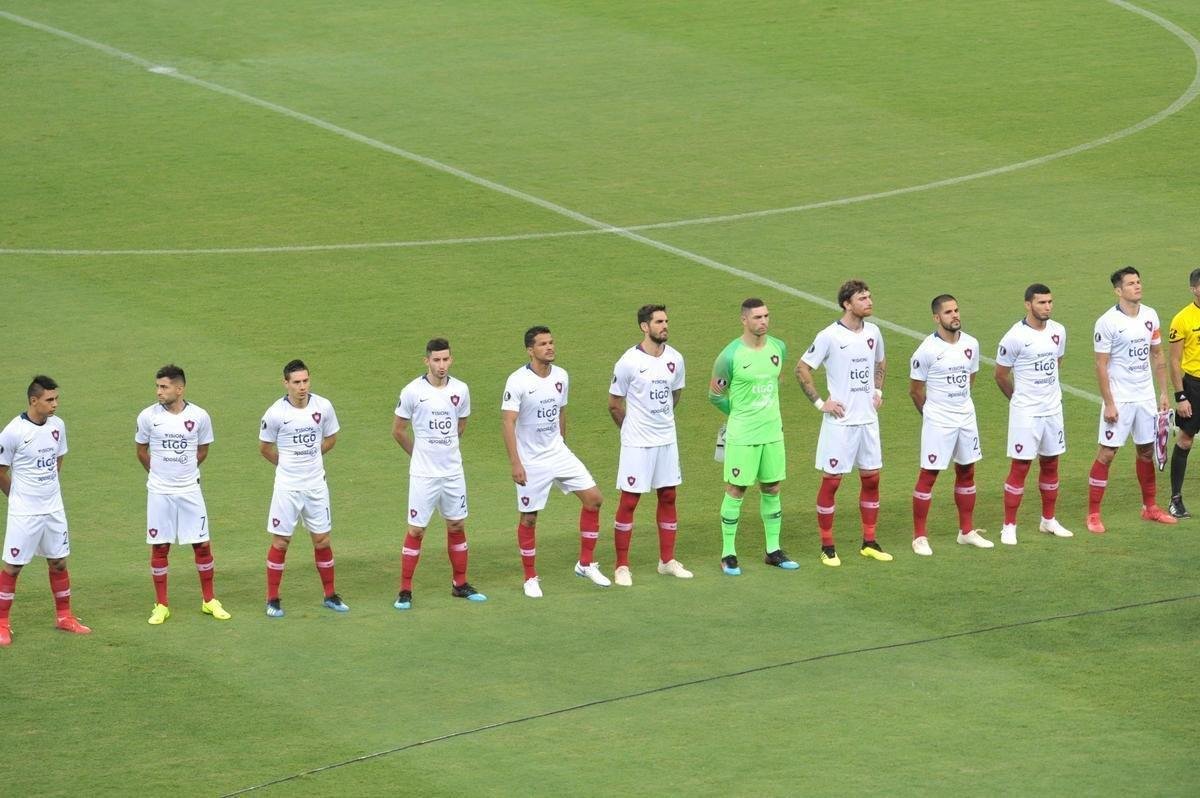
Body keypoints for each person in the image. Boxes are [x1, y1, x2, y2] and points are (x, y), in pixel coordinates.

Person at [502, 326, 608, 598]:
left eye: (551, 342)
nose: (549, 347)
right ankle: (530, 577)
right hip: (531, 461)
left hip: (558, 453)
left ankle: (585, 564)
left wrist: (562, 442)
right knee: (529, 519)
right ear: (530, 350)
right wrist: (516, 463)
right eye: (542, 344)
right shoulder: (517, 381)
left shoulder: (561, 375)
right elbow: (508, 422)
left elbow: (561, 411)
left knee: (594, 499)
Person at [796, 280, 893, 566]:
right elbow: (801, 368)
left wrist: (877, 391)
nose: (869, 301)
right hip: (841, 424)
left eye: (870, 296)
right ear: (846, 304)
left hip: (868, 421)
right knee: (832, 482)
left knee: (872, 479)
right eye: (862, 298)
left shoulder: (874, 332)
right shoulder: (829, 336)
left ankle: (869, 542)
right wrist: (820, 403)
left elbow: (881, 361)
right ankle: (827, 546)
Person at [392, 338, 486, 609]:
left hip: (453, 472)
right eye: (436, 360)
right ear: (427, 361)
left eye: (446, 359)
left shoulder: (461, 389)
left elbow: (461, 424)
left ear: (451, 359)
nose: (441, 365)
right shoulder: (412, 391)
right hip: (424, 475)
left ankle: (460, 584)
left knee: (456, 525)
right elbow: (398, 430)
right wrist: (419, 454)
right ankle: (405, 590)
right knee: (417, 530)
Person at [135, 364, 230, 624]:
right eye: (157, 386)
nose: (158, 392)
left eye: (164, 387)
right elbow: (141, 450)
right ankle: (161, 604)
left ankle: (209, 600)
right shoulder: (147, 417)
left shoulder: (199, 416)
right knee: (160, 546)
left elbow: (202, 450)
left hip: (189, 490)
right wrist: (158, 474)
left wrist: (184, 471)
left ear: (180, 388)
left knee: (202, 544)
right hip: (159, 492)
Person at [0, 376, 90, 646]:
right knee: (13, 566)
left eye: (56, 399)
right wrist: (16, 496)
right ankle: (2, 622)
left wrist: (48, 489)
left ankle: (64, 616)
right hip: (24, 511)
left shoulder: (57, 426)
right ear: (33, 401)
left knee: (59, 561)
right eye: (49, 400)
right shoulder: (13, 432)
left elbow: (57, 459)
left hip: (53, 508)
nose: (55, 404)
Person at [709, 298, 796, 574]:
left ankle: (773, 550)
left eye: (766, 316)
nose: (764, 321)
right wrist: (739, 414)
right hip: (743, 435)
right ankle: (728, 554)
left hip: (772, 432)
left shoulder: (778, 348)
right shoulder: (729, 356)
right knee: (737, 489)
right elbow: (716, 394)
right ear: (744, 320)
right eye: (757, 317)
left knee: (772, 487)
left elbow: (776, 381)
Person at [608, 305, 692, 586]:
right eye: (659, 322)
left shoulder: (675, 359)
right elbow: (614, 404)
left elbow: (675, 394)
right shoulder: (628, 362)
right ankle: (621, 566)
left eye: (666, 320)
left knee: (668, 496)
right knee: (630, 500)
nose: (665, 325)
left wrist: (661, 421)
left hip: (666, 439)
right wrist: (631, 429)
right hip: (637, 443)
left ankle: (667, 561)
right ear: (645, 327)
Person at [1087, 266, 1176, 532]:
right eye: (1130, 283)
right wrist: (1110, 403)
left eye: (1138, 281)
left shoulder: (1150, 315)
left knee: (1146, 451)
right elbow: (1101, 365)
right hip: (1121, 398)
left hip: (1145, 397)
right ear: (1118, 290)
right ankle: (1093, 514)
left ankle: (1150, 508)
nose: (1137, 286)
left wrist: (1162, 393)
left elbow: (1158, 355)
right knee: (1107, 453)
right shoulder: (1107, 322)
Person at [259, 359, 348, 617]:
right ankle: (273, 598)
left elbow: (331, 438)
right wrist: (286, 464)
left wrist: (313, 457)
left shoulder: (323, 406)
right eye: (296, 382)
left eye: (305, 381)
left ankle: (330, 595)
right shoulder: (276, 413)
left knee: (322, 540)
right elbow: (264, 448)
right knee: (281, 541)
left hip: (316, 485)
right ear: (285, 383)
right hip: (287, 487)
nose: (302, 387)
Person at [908, 295, 991, 555]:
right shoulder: (926, 351)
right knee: (929, 474)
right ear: (936, 318)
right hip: (938, 420)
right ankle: (919, 536)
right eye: (948, 312)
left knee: (967, 470)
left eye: (956, 310)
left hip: (966, 417)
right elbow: (915, 391)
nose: (954, 315)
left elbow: (970, 378)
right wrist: (932, 414)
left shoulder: (971, 344)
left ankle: (966, 532)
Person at [995, 284, 1073, 544]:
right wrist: (1019, 399)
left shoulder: (1058, 331)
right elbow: (1001, 375)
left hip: (1052, 409)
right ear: (1028, 304)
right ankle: (1009, 525)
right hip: (1026, 412)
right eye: (1041, 303)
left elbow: (1056, 364)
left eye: (1050, 302)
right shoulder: (1014, 337)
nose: (1047, 307)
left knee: (1051, 463)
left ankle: (1048, 520)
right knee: (1021, 466)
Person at [1166, 268, 1200, 519]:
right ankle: (1175, 499)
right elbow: (1174, 361)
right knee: (1186, 439)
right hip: (1194, 386)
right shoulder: (1182, 319)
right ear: (1193, 288)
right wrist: (1181, 396)